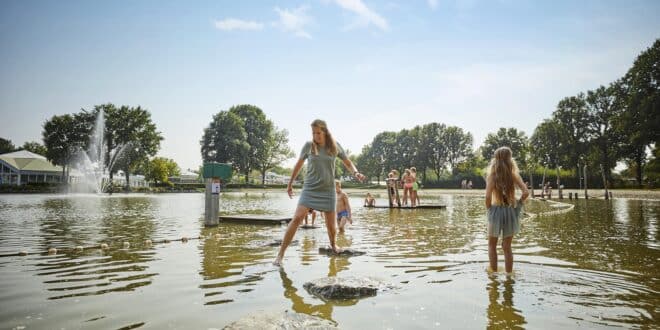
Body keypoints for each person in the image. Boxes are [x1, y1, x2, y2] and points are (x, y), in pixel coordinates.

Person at [273, 119, 365, 266]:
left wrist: (356, 173)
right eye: (313, 133)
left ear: (325, 132)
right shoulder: (309, 146)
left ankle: (333, 244)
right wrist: (290, 184)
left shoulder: (334, 146)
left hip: (328, 190)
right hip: (310, 189)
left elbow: (347, 162)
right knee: (297, 218)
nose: (316, 136)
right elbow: (298, 165)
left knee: (330, 226)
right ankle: (280, 255)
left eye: (318, 133)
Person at [485, 146, 529, 273]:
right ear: (510, 159)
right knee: (507, 247)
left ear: (496, 159)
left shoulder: (492, 176)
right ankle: (509, 274)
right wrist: (518, 204)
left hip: (496, 211)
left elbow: (487, 196)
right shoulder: (513, 175)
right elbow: (526, 192)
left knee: (492, 245)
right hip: (510, 211)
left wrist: (489, 209)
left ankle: (493, 274)